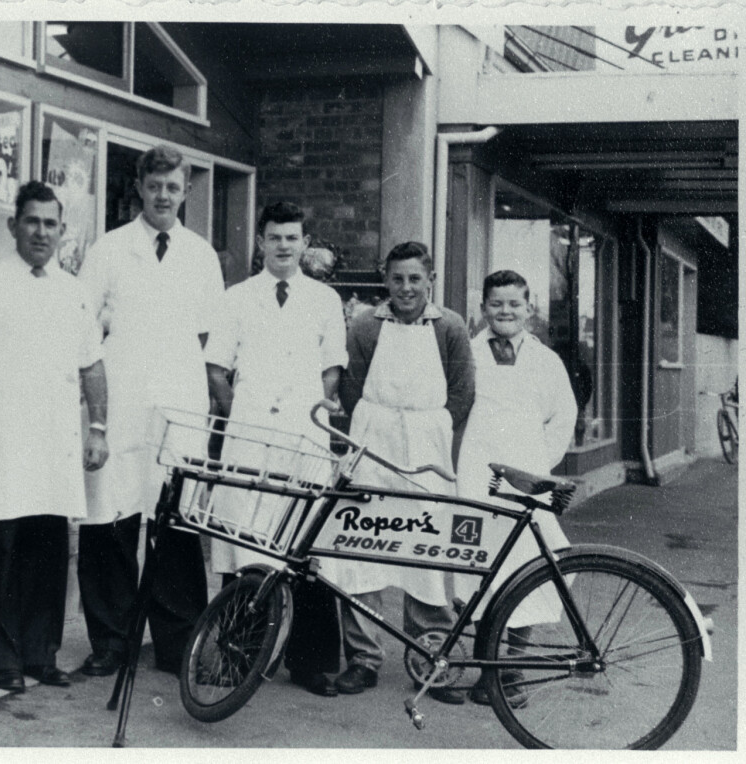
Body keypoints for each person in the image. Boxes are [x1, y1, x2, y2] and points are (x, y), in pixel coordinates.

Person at [0, 181, 109, 694]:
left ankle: (41, 655)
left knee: (48, 555)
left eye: (51, 223)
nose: (41, 232)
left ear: (63, 231)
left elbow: (93, 365)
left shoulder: (74, 292)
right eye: (32, 221)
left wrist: (98, 428)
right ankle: (2, 659)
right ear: (13, 226)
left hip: (52, 446)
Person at [76, 145, 225, 676]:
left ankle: (176, 643)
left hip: (179, 404)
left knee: (177, 525)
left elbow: (212, 338)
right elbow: (83, 328)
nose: (164, 195)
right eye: (155, 185)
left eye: (174, 187)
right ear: (139, 187)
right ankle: (111, 644)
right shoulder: (109, 250)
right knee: (109, 521)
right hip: (121, 401)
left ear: (187, 191)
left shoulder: (201, 255)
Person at [205, 201, 348, 697]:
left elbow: (332, 369)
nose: (284, 246)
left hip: (304, 433)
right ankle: (233, 658)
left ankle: (309, 663)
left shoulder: (325, 300)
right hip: (250, 434)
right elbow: (217, 369)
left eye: (292, 237)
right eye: (274, 237)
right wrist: (238, 417)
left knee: (304, 544)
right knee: (243, 541)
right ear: (260, 243)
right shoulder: (237, 298)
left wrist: (319, 413)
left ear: (305, 243)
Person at [324, 241, 475, 704]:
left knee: (425, 552)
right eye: (397, 279)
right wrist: (379, 427)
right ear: (385, 280)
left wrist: (429, 430)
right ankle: (364, 659)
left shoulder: (450, 326)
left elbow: (462, 393)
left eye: (415, 279)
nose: (406, 288)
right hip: (374, 440)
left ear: (429, 279)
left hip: (425, 446)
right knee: (362, 545)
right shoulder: (366, 325)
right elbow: (350, 389)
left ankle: (429, 659)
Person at [455, 269, 577, 706]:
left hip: (527, 480)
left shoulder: (546, 362)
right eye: (496, 304)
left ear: (528, 308)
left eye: (514, 304)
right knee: (477, 570)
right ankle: (483, 667)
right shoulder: (466, 355)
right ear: (482, 308)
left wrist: (538, 465)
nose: (505, 311)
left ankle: (513, 670)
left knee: (527, 568)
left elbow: (563, 416)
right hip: (474, 477)